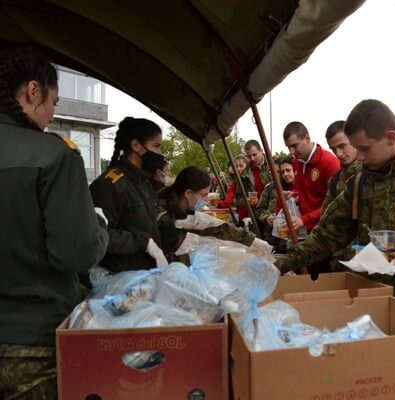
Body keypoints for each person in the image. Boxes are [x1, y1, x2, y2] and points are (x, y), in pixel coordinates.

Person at [278, 99, 395, 319]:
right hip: (375, 304)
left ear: (390, 138)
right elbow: (326, 237)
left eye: (364, 148)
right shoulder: (360, 183)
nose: (358, 156)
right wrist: (280, 264)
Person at [0, 47, 108, 400]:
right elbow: (75, 255)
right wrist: (99, 230)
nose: (50, 116)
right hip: (31, 346)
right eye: (54, 103)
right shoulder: (55, 155)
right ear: (33, 91)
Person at [90, 117, 169, 273]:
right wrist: (141, 242)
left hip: (145, 274)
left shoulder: (144, 182)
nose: (160, 154)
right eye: (157, 146)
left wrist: (180, 228)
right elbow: (97, 235)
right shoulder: (110, 184)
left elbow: (150, 223)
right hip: (120, 279)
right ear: (136, 146)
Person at [157, 166, 269, 262]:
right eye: (203, 195)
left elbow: (216, 227)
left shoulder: (184, 211)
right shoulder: (164, 218)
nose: (206, 200)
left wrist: (251, 240)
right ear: (188, 193)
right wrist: (205, 257)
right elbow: (165, 260)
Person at [283, 121, 339, 233]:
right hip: (304, 230)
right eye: (289, 147)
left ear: (307, 137)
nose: (292, 151)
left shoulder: (329, 162)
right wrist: (293, 195)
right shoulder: (295, 162)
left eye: (295, 145)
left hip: (326, 230)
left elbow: (336, 204)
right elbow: (304, 192)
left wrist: (304, 219)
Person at [255, 156, 295, 253]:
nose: (281, 175)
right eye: (275, 172)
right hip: (273, 240)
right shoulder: (270, 188)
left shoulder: (298, 187)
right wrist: (266, 218)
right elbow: (259, 209)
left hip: (293, 240)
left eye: (279, 172)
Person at [321, 120, 361, 210]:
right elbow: (326, 217)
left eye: (342, 146)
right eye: (334, 149)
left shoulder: (374, 172)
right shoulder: (335, 181)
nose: (338, 154)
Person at [217, 154, 256, 224]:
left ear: (246, 166)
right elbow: (230, 199)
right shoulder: (236, 181)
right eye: (236, 166)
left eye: (241, 166)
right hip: (244, 214)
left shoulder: (251, 178)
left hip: (253, 214)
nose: (238, 168)